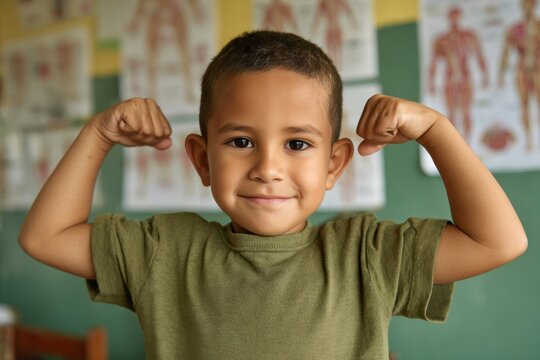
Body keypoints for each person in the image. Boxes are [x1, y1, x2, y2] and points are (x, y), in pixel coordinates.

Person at [18, 31, 527, 359]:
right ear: (201, 159)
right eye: (240, 142)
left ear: (334, 164)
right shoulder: (163, 251)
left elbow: (498, 242)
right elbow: (45, 237)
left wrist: (437, 130)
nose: (267, 168)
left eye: (297, 144)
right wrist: (97, 135)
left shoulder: (366, 255)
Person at [428, 6, 489, 142]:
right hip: (450, 78)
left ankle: (467, 143)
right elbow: (434, 62)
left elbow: (480, 56)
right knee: (452, 113)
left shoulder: (469, 36)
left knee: (466, 111)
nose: (455, 20)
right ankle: (454, 145)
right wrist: (431, 82)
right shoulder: (442, 39)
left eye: (457, 17)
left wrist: (485, 76)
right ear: (449, 19)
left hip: (465, 76)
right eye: (452, 17)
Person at [498, 0, 540, 151]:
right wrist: (501, 74)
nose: (528, 8)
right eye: (525, 5)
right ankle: (529, 139)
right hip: (522, 70)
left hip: (537, 70)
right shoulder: (515, 29)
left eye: (531, 5)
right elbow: (506, 52)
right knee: (525, 105)